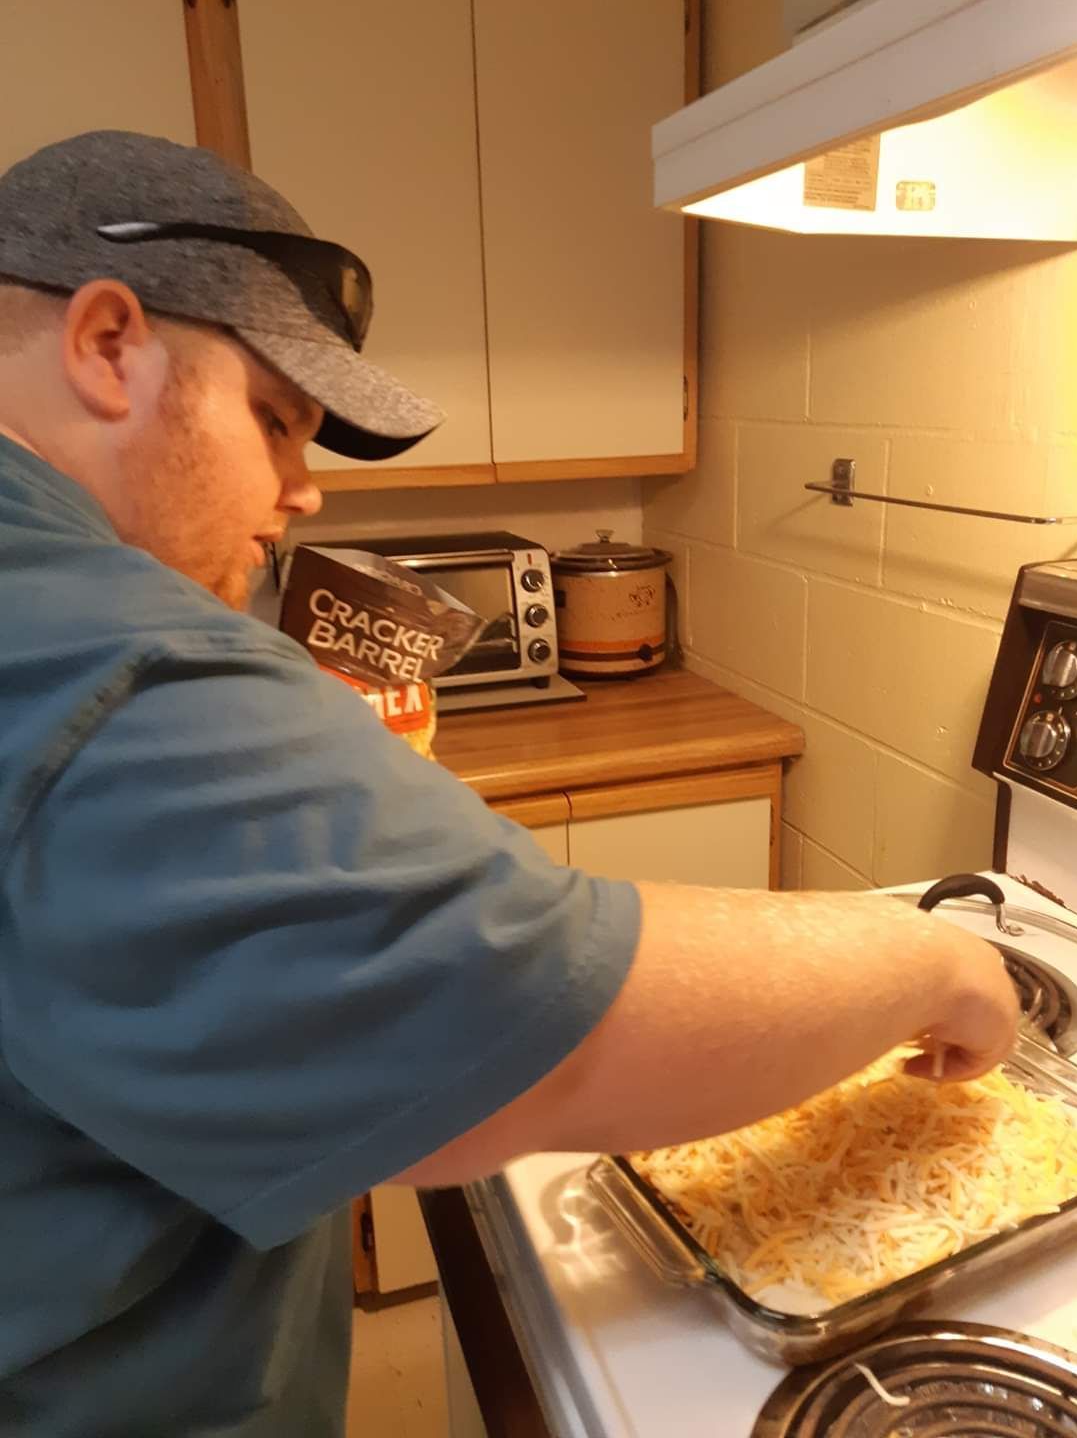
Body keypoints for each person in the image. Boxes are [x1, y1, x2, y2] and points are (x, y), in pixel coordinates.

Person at [0, 130, 1016, 1436]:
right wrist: (937, 963)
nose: (304, 492)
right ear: (107, 344)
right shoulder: (107, 652)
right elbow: (545, 1027)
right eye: (275, 421)